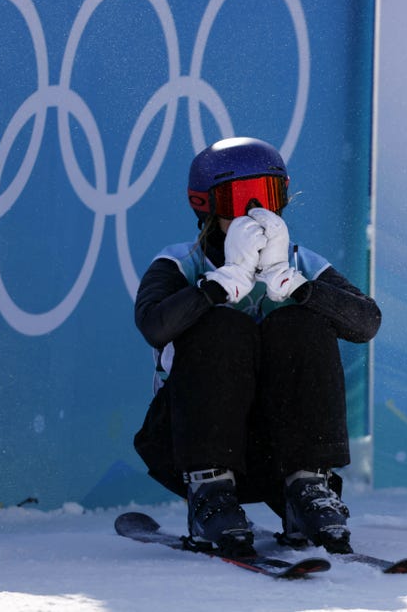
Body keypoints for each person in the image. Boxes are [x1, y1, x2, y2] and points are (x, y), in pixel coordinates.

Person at [132, 137, 381, 557]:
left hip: (277, 450)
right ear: (205, 205)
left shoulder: (302, 263)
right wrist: (215, 286)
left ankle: (307, 488)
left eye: (265, 195)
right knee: (221, 326)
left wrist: (302, 289)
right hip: (188, 443)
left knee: (301, 321)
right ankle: (209, 495)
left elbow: (365, 323)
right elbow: (155, 326)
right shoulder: (179, 263)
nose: (254, 213)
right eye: (238, 199)